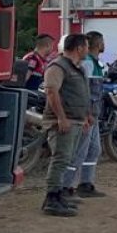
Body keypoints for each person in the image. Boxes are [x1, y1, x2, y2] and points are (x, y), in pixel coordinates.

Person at [40, 34, 92, 217]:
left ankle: (58, 195)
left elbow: (80, 93)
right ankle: (52, 198)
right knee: (60, 159)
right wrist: (61, 118)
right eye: (86, 46)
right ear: (79, 48)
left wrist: (85, 116)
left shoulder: (77, 68)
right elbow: (52, 92)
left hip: (75, 120)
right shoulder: (57, 66)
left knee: (66, 159)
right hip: (63, 122)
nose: (88, 50)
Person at [61, 31, 107, 199]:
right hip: (87, 115)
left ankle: (85, 183)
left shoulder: (94, 62)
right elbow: (84, 91)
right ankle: (66, 187)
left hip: (93, 114)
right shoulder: (88, 63)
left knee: (93, 149)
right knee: (79, 151)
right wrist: (86, 114)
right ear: (98, 44)